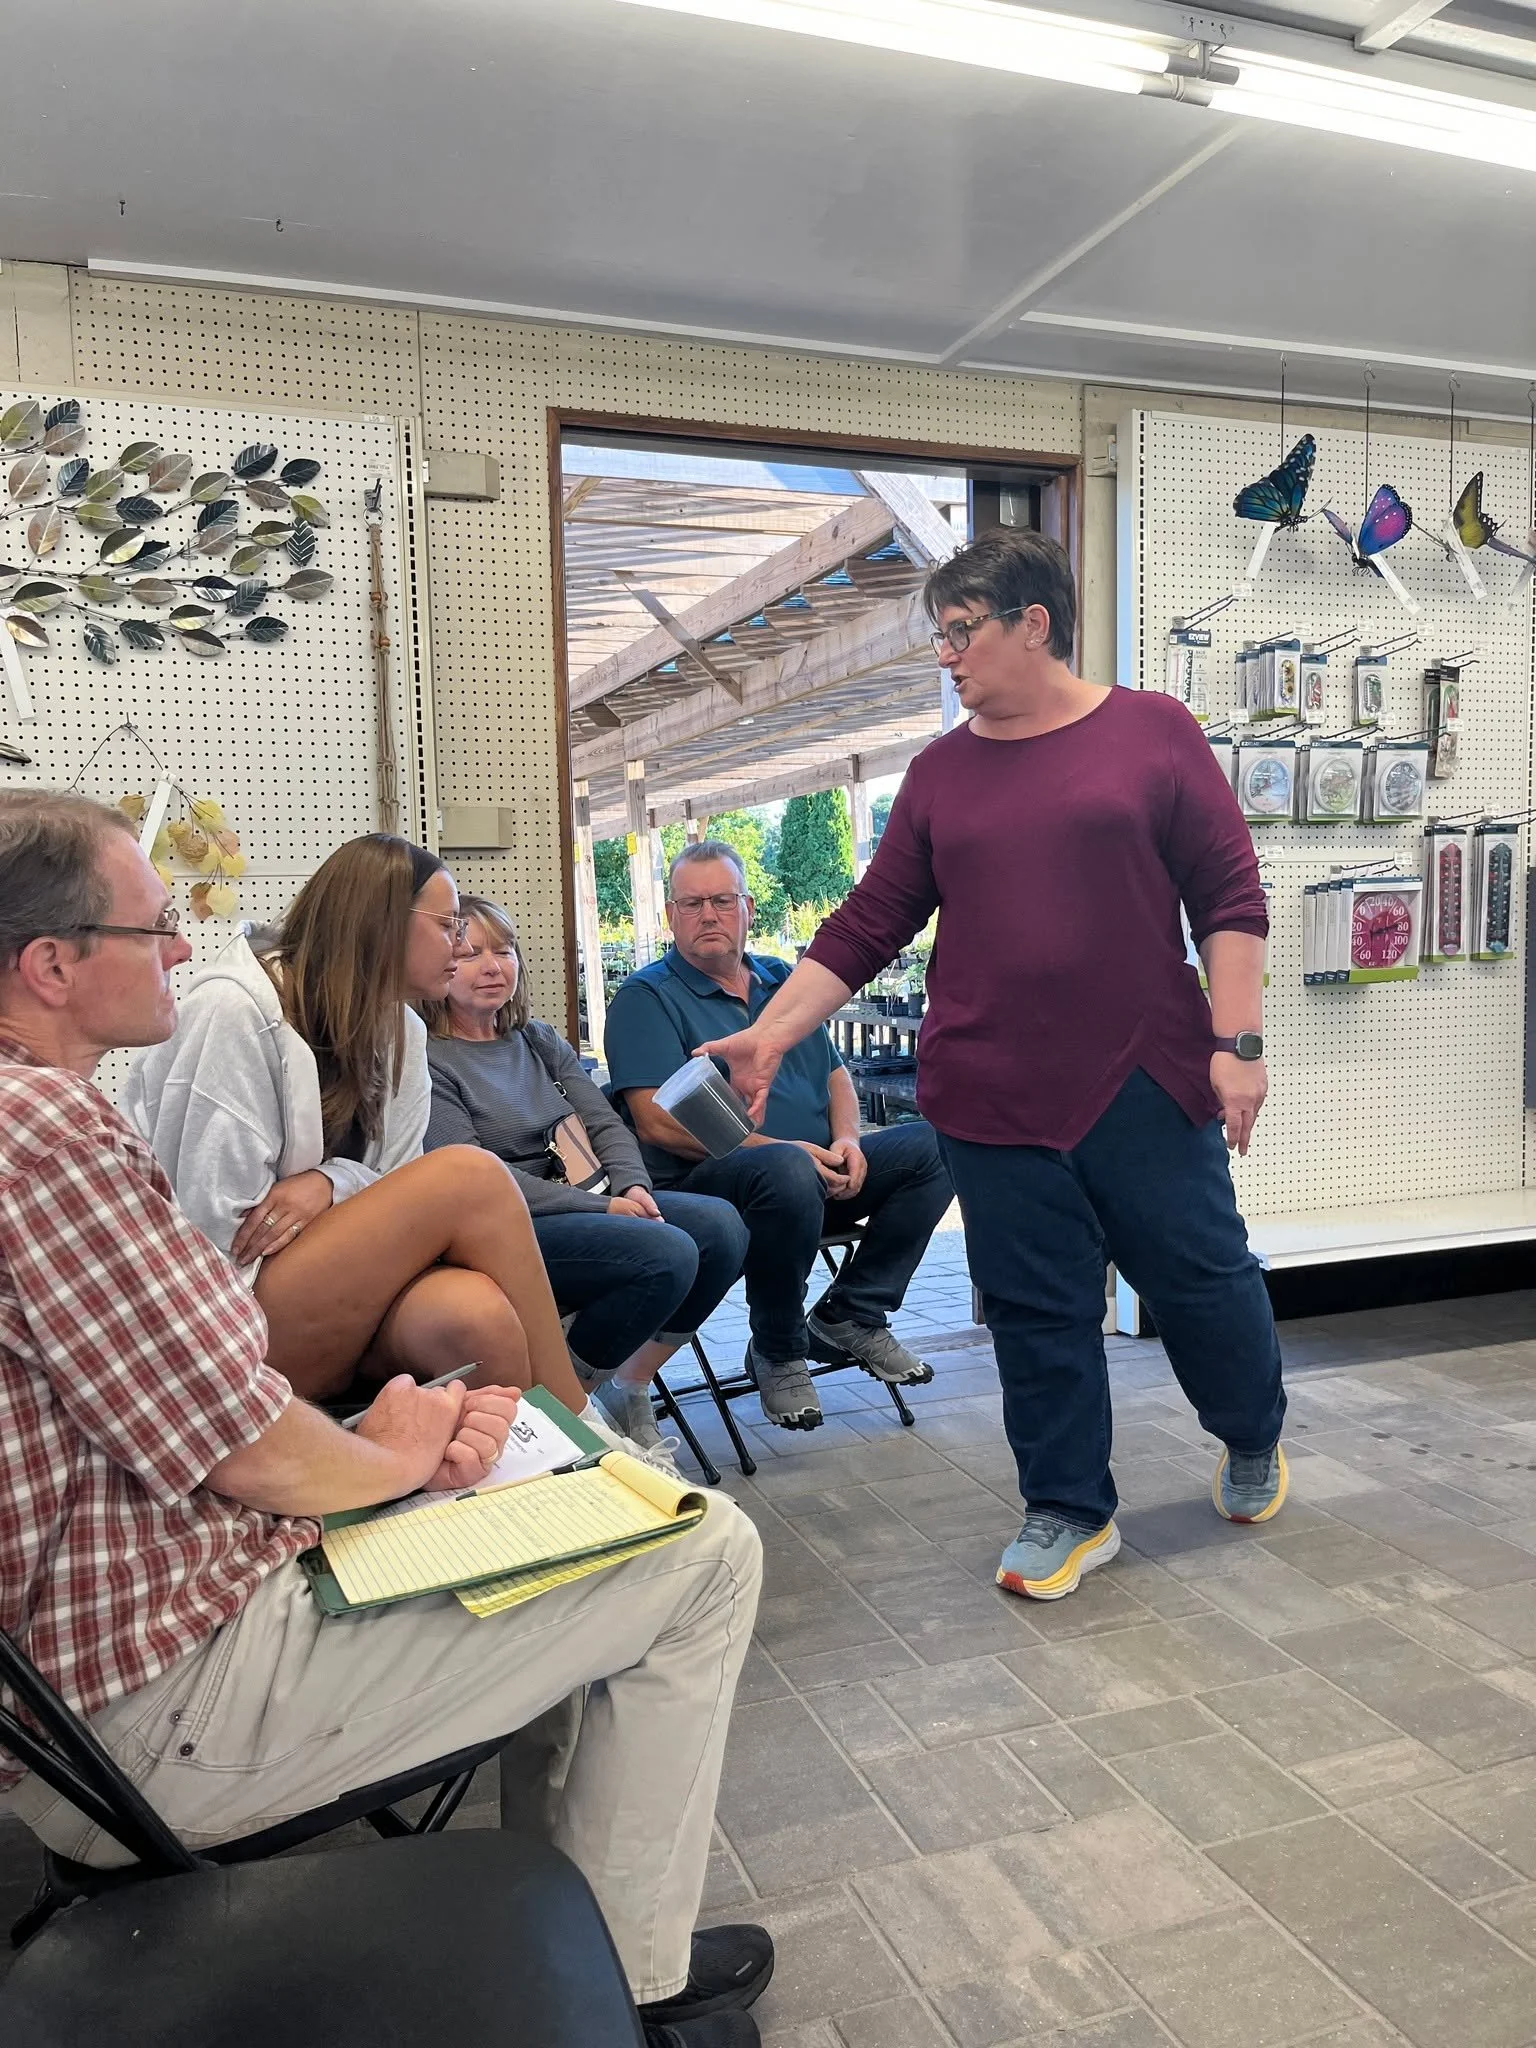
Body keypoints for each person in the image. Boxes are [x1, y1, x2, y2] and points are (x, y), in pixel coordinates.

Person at [0, 790, 769, 2048]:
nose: (187, 951)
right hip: (162, 1704)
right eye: (154, 929)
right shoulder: (42, 1129)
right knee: (705, 1557)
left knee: (526, 1450)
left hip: (148, 1635)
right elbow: (240, 1428)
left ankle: (568, 1920)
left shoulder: (48, 1108)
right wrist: (395, 1454)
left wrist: (397, 1438)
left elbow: (202, 1372)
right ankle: (634, 1991)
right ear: (51, 964)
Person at [698, 530, 1288, 1601]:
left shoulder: (1153, 732)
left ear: (1035, 624)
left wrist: (1236, 1044)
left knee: (1200, 1280)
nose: (948, 656)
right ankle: (1067, 1504)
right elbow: (868, 921)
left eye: (962, 631)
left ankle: (1251, 1425)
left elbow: (1229, 897)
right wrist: (774, 1029)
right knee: (1034, 1307)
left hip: (1146, 1077)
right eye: (941, 636)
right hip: (990, 1088)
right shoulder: (939, 772)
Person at [123, 833, 591, 1419]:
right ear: (384, 922)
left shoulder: (402, 1029)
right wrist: (343, 1187)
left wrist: (330, 1182)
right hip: (217, 1321)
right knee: (469, 1175)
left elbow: (392, 1180)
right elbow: (207, 1230)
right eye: (447, 924)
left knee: (480, 1317)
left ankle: (532, 1486)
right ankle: (585, 1434)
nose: (462, 942)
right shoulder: (233, 1012)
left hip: (323, 1292)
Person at [605, 841, 953, 1432]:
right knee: (786, 1173)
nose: (708, 915)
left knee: (938, 1145)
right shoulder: (647, 997)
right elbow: (658, 1121)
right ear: (670, 915)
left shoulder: (781, 980)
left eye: (721, 900)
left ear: (748, 908)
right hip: (714, 1186)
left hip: (814, 1172)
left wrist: (848, 1140)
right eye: (692, 904)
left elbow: (836, 1074)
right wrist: (786, 1153)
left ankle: (853, 1313)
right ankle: (778, 1347)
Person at [422, 896, 748, 1453]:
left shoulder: (539, 1041)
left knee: (721, 1229)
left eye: (503, 951)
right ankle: (569, 1406)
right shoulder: (428, 1058)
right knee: (666, 1253)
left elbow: (604, 1123)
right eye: (472, 953)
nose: (493, 966)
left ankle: (623, 1385)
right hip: (507, 1222)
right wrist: (603, 1209)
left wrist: (633, 1186)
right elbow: (475, 1178)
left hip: (595, 1198)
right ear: (442, 967)